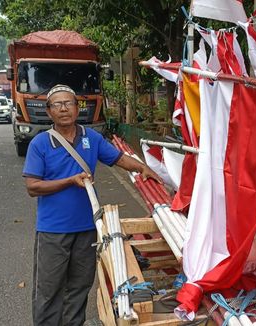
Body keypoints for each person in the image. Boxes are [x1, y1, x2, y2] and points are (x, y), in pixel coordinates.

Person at [23, 84, 161, 326]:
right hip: (53, 231)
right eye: (57, 104)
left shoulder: (91, 138)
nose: (64, 108)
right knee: (49, 289)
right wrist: (69, 181)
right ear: (48, 111)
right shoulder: (40, 144)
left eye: (69, 103)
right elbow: (33, 187)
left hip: (88, 228)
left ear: (78, 108)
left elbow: (117, 158)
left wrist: (142, 168)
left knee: (79, 286)